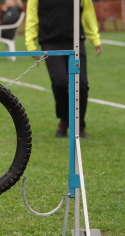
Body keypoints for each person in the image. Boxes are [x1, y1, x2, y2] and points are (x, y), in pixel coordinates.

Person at [25, 0, 102, 138]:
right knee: (60, 82)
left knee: (82, 84)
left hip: (76, 41)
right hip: (50, 42)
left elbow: (88, 12)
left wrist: (94, 37)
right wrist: (30, 42)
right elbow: (32, 16)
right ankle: (64, 119)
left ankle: (79, 125)